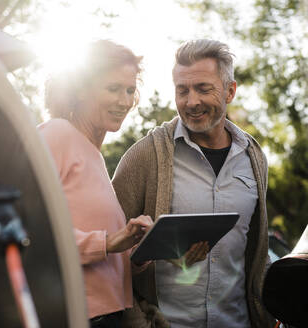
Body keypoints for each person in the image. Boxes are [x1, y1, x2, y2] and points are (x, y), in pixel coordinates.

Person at [112, 39, 275, 328]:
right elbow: (108, 253)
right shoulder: (144, 156)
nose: (191, 102)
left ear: (230, 91)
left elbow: (256, 253)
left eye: (203, 88)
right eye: (182, 90)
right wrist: (146, 255)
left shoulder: (255, 159)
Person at [38, 40, 153, 328]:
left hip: (108, 316)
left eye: (129, 90)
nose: (124, 101)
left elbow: (104, 254)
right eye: (113, 89)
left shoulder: (95, 156)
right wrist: (108, 241)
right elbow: (31, 227)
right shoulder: (56, 134)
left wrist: (137, 252)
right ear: (80, 89)